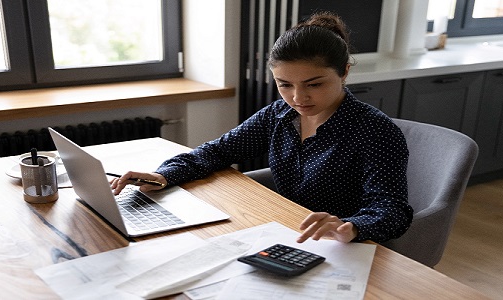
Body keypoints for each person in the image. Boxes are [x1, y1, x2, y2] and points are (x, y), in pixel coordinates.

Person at [111, 12, 413, 244]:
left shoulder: (374, 131)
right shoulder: (279, 115)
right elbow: (217, 151)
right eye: (285, 85)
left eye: (314, 84)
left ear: (344, 71)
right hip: (282, 230)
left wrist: (351, 226)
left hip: (342, 246)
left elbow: (392, 210)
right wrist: (164, 174)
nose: (298, 97)